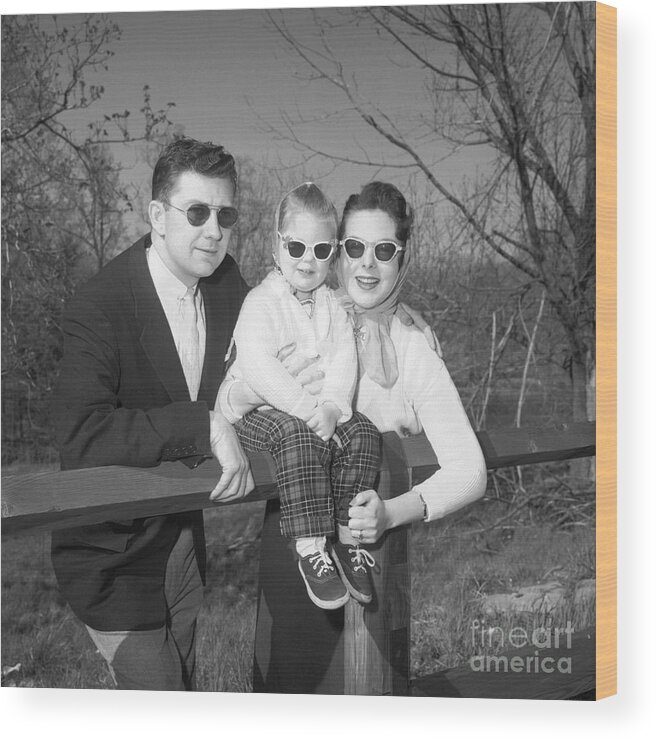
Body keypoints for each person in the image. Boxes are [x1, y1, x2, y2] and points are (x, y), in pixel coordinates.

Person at [220, 180, 487, 693]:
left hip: (369, 546)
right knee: (282, 693)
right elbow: (236, 384)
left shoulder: (412, 343)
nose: (366, 264)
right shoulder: (306, 312)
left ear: (402, 257)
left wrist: (393, 511)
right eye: (354, 247)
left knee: (364, 699)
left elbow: (470, 472)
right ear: (337, 251)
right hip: (294, 537)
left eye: (383, 251)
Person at [51, 137, 254, 691]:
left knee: (183, 691)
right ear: (157, 216)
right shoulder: (100, 304)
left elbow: (287, 340)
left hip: (184, 538)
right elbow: (81, 434)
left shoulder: (228, 284)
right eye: (196, 212)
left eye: (225, 213)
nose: (213, 229)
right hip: (110, 554)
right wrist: (201, 423)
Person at [217, 183, 381, 610]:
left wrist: (332, 406)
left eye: (321, 249)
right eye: (296, 247)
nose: (307, 259)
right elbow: (259, 368)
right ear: (276, 247)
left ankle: (348, 535)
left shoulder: (332, 306)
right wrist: (311, 411)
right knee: (298, 435)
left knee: (362, 431)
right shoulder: (261, 302)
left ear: (334, 254)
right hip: (257, 411)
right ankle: (311, 547)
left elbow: (345, 359)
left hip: (315, 410)